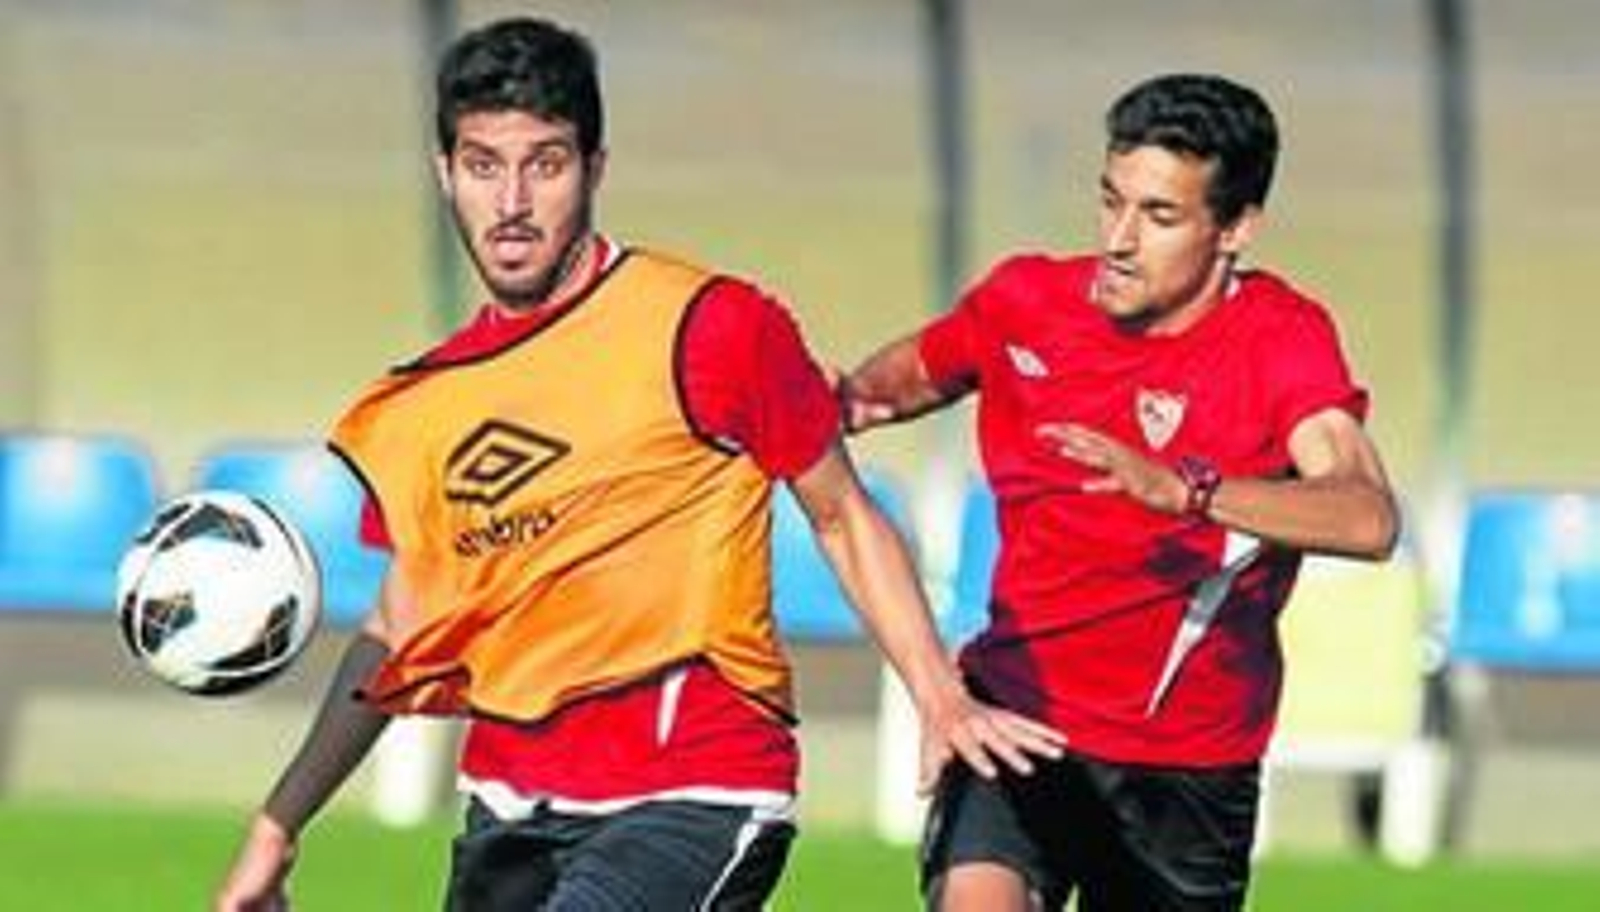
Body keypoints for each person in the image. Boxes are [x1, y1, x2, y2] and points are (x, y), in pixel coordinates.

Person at [214, 16, 1065, 912]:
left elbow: (841, 515)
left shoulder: (712, 326)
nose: (511, 201)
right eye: (482, 165)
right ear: (444, 174)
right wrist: (278, 826)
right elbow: (402, 620)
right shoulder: (423, 405)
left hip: (691, 792)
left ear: (594, 169)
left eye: (544, 164)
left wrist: (937, 694)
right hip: (508, 801)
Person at [842, 73, 1400, 911]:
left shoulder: (1281, 339)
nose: (1120, 238)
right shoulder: (1026, 302)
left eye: (1161, 216)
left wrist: (1190, 491)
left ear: (1236, 228)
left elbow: (1366, 514)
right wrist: (814, 403)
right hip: (1016, 720)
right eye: (1112, 202)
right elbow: (888, 388)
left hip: (1185, 766)